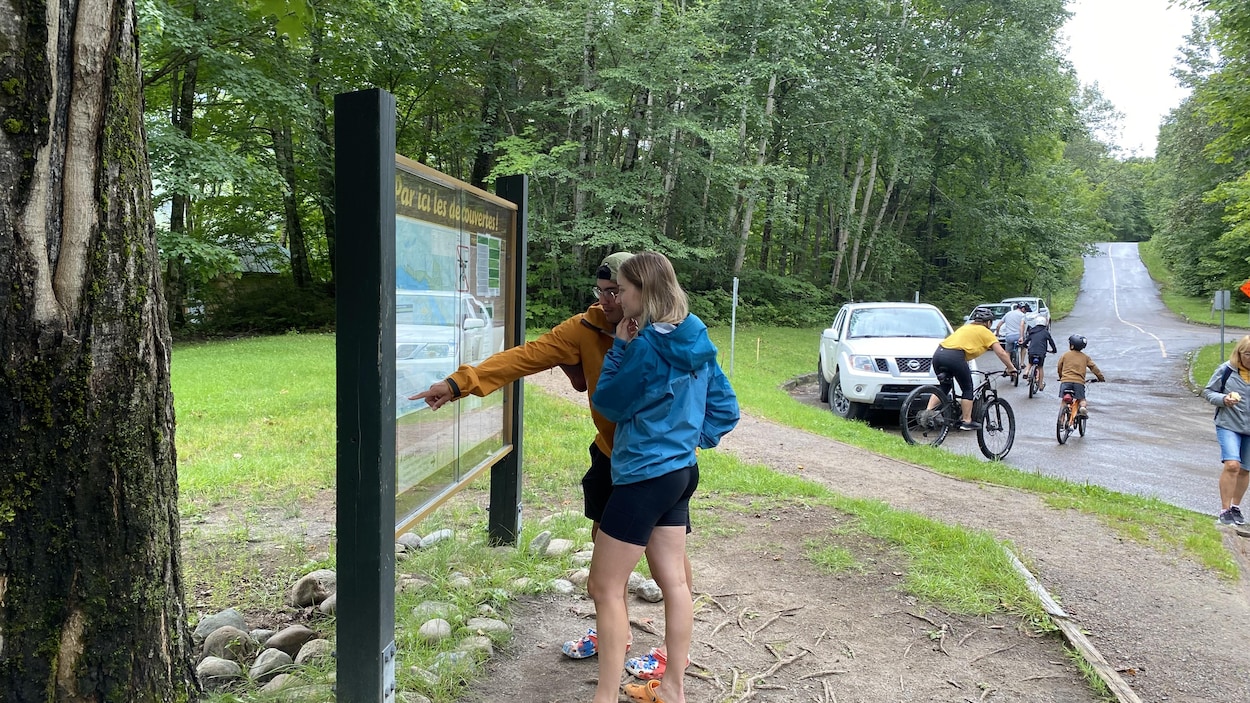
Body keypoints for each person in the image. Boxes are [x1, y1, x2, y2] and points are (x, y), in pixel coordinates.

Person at [409, 252, 691, 676]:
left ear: (640, 290)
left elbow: (709, 392)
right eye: (603, 292)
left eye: (618, 291)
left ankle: (673, 654)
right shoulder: (584, 328)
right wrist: (457, 383)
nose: (609, 300)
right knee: (604, 546)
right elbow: (524, 356)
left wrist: (689, 441)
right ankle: (614, 633)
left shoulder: (671, 331)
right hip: (611, 456)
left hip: (657, 466)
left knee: (664, 557)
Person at [589, 251, 739, 703]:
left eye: (625, 288)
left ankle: (604, 698)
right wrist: (688, 440)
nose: (618, 295)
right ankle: (673, 688)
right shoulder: (697, 338)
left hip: (643, 478)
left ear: (646, 291)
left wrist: (620, 346)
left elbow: (610, 404)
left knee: (604, 586)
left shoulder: (648, 346)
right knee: (674, 582)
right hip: (680, 473)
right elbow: (725, 410)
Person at [928, 306, 1018, 430]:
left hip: (938, 354)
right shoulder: (985, 331)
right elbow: (1001, 352)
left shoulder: (966, 328)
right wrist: (1011, 368)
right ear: (988, 322)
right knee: (967, 387)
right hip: (954, 356)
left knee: (944, 386)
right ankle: (966, 420)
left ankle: (928, 413)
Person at [1201, 335, 1250, 526]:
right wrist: (1224, 400)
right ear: (1239, 353)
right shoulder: (1227, 370)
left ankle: (1235, 508)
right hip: (1228, 424)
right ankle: (1224, 509)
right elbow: (1208, 391)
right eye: (1248, 354)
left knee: (1245, 470)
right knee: (1232, 465)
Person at [1055, 334, 1104, 417]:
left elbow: (1059, 366)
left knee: (1064, 400)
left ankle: (1061, 420)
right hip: (1079, 382)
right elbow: (1093, 367)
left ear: (1072, 346)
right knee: (1081, 399)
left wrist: (1061, 377)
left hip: (1066, 381)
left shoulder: (1065, 355)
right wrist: (1100, 378)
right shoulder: (1085, 357)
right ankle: (1082, 408)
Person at [1021, 314, 1057, 392]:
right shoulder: (1045, 332)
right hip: (1041, 353)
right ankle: (1040, 385)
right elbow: (1051, 342)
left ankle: (1026, 372)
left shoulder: (1032, 331)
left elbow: (1026, 342)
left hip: (1032, 351)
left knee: (1030, 363)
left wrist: (1026, 346)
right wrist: (1054, 350)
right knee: (1040, 367)